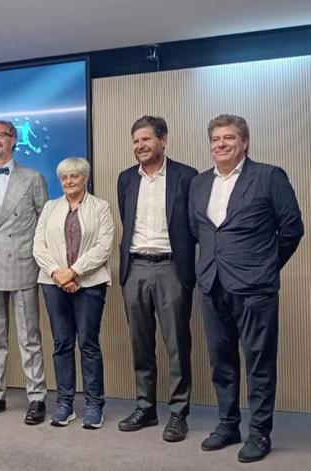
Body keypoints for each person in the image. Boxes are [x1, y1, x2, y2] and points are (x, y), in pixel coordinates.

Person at [189, 114, 303, 463]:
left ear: (244, 142)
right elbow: (199, 231)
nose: (221, 144)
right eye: (215, 139)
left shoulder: (269, 176)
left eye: (228, 138)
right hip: (212, 284)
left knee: (259, 363)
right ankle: (228, 425)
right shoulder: (199, 183)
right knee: (221, 361)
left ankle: (259, 433)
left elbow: (292, 228)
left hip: (255, 288)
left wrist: (265, 265)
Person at [116, 116, 198, 442]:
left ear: (163, 140)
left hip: (171, 267)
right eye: (136, 141)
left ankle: (178, 413)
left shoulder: (186, 176)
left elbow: (194, 225)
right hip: (135, 267)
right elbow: (126, 219)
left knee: (176, 344)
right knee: (140, 343)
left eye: (146, 139)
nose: (140, 146)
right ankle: (145, 408)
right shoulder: (126, 179)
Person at [0, 120, 48, 425]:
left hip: (23, 264)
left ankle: (37, 397)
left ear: (14, 139)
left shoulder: (33, 178)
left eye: (0, 135)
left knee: (29, 336)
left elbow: (43, 223)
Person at [33, 157, 113, 429]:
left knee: (88, 344)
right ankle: (64, 404)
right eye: (64, 177)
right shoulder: (50, 207)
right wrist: (58, 273)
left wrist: (74, 272)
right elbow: (38, 245)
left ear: (85, 178)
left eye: (74, 176)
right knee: (62, 344)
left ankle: (94, 406)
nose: (68, 181)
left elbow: (104, 247)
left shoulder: (101, 207)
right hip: (53, 283)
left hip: (90, 284)